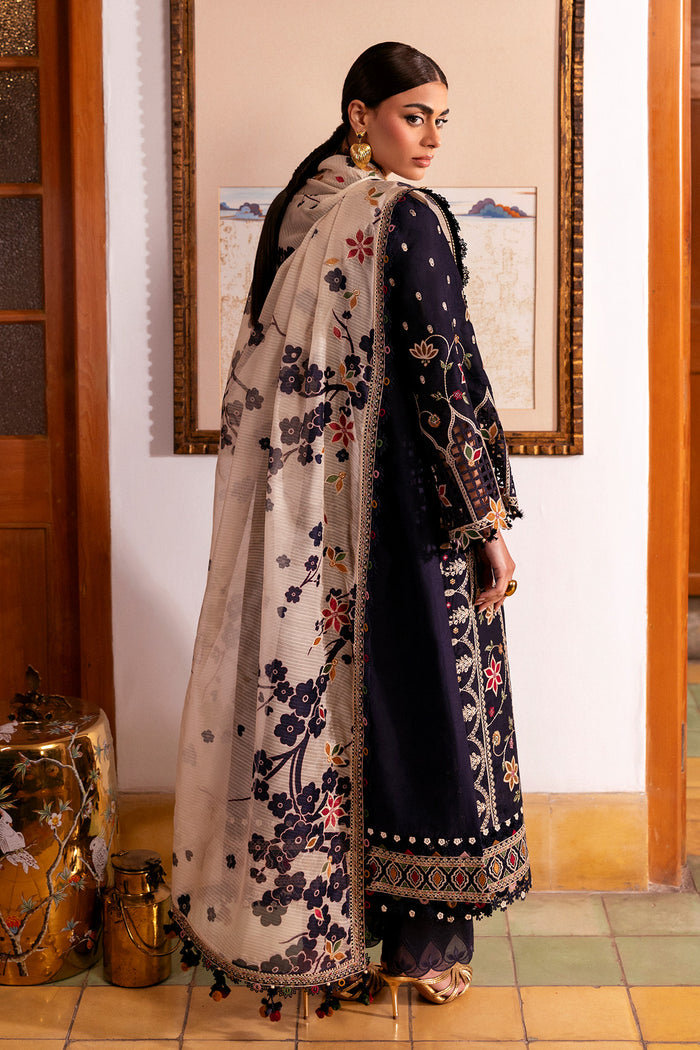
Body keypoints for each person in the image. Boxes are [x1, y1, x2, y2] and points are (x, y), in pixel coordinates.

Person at [171, 41, 530, 1021]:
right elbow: (443, 373)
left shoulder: (306, 214)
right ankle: (422, 949)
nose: (431, 139)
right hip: (414, 517)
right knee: (429, 714)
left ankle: (344, 933)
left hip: (323, 529)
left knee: (350, 719)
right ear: (360, 115)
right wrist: (487, 522)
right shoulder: (403, 215)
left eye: (440, 120)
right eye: (414, 115)